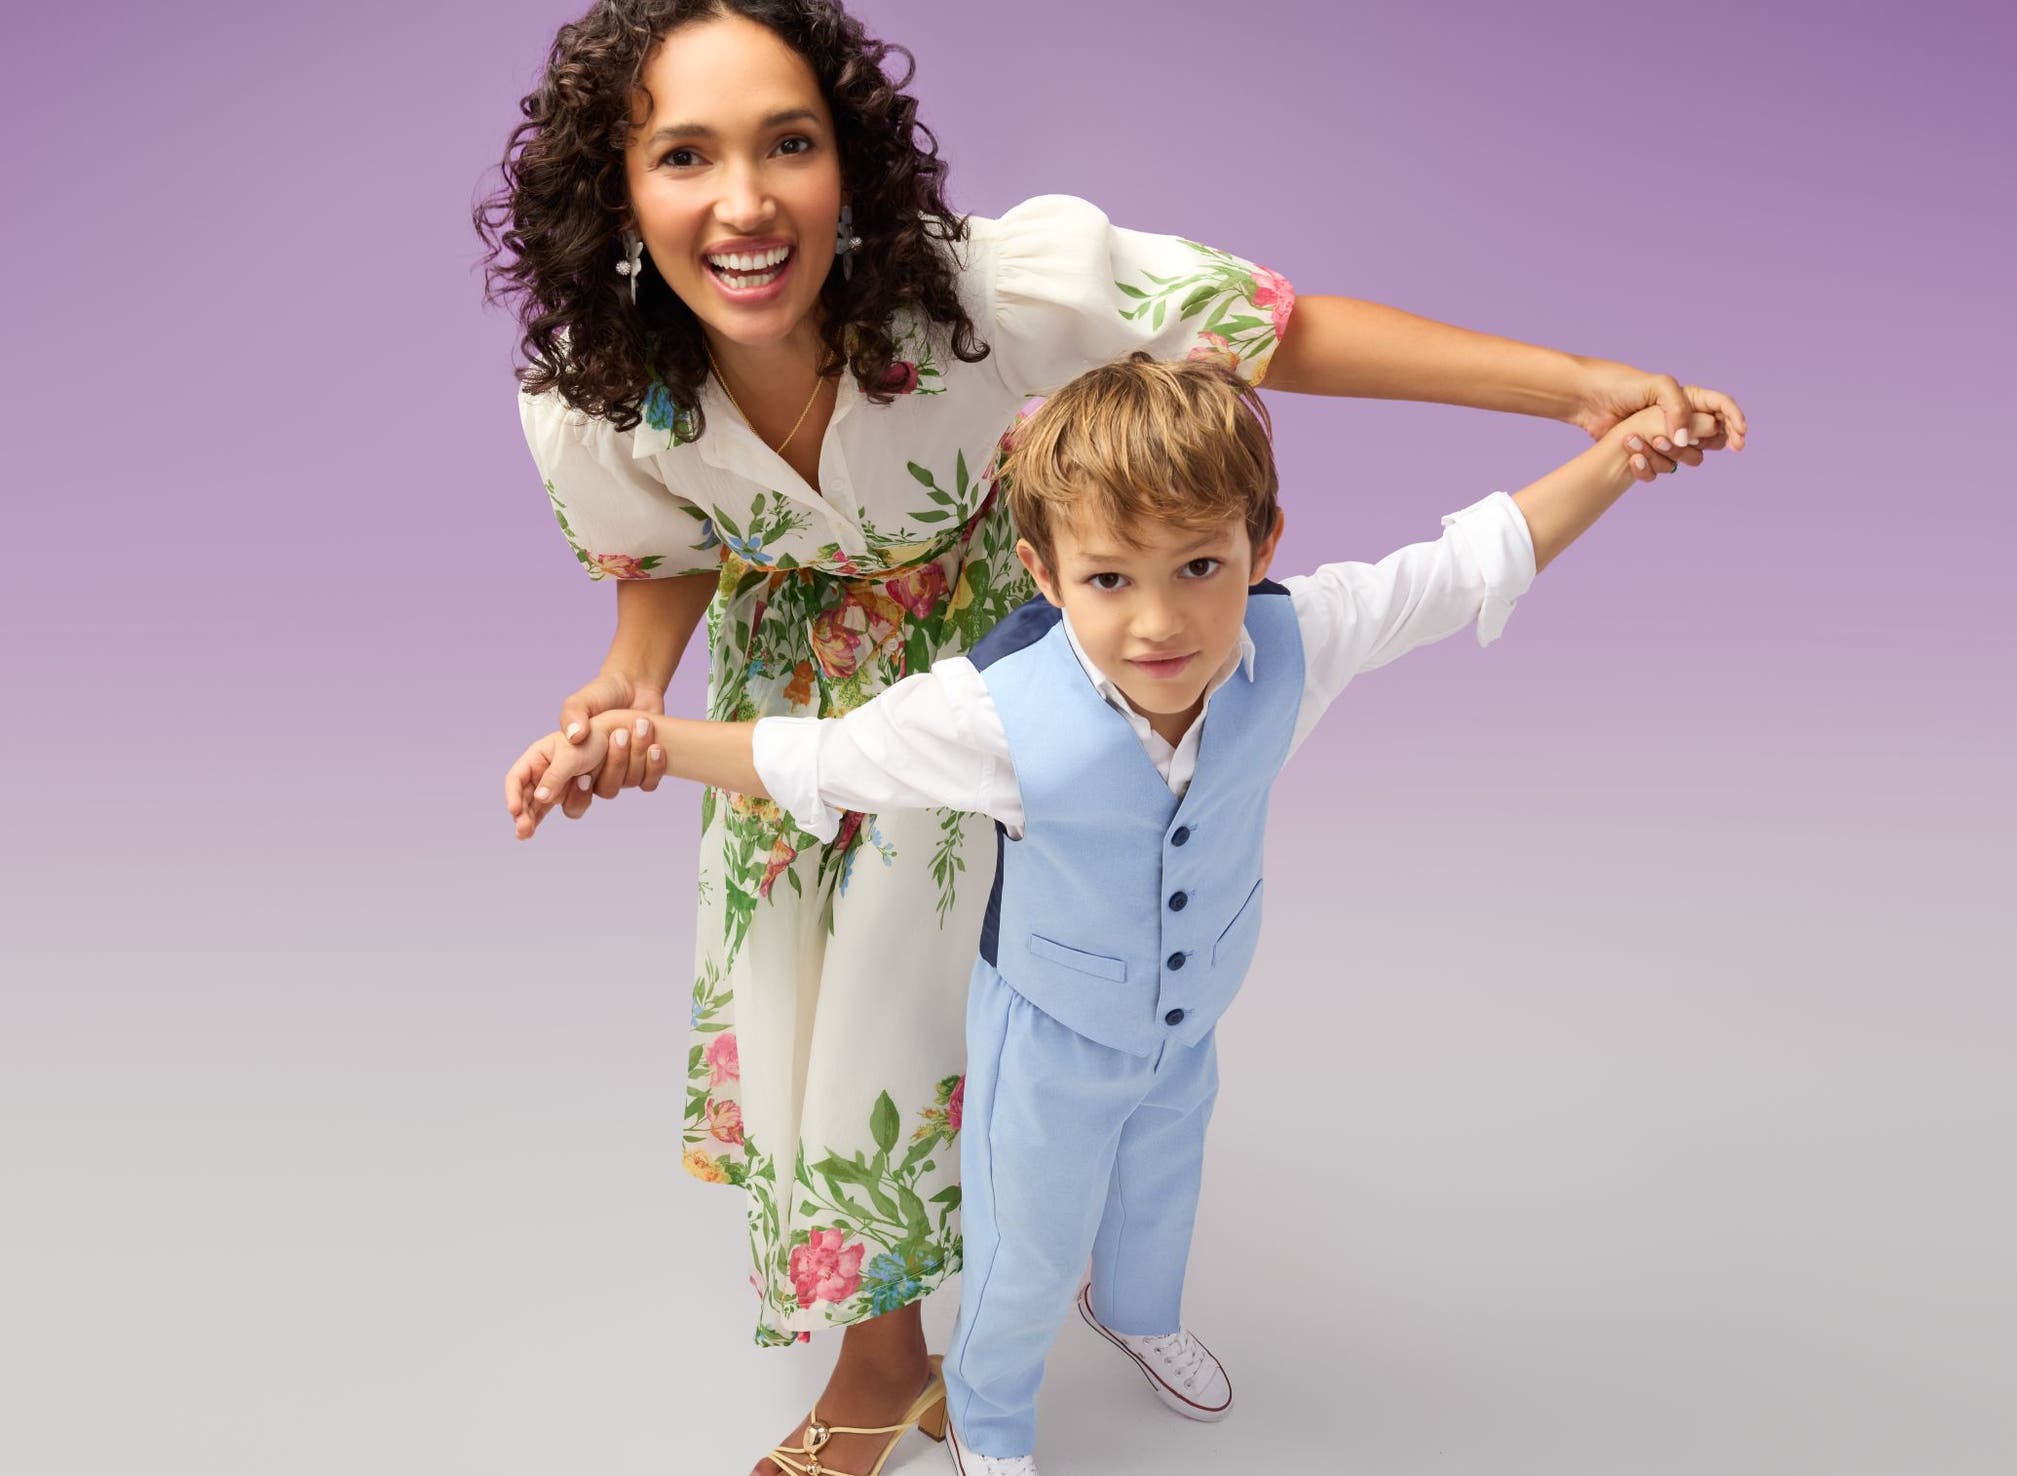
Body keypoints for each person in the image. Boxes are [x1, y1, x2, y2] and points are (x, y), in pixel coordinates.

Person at [479, 2, 1744, 1470]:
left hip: (1036, 650)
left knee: (1068, 993)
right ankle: (891, 1367)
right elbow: (660, 553)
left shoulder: (983, 292)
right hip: (811, 699)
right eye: (685, 156)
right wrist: (634, 680)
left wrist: (1578, 390)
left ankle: (1088, 1274)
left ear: (851, 163)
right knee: (849, 1033)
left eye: (790, 144)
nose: (746, 201)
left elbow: (1276, 326)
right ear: (617, 190)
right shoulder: (596, 391)